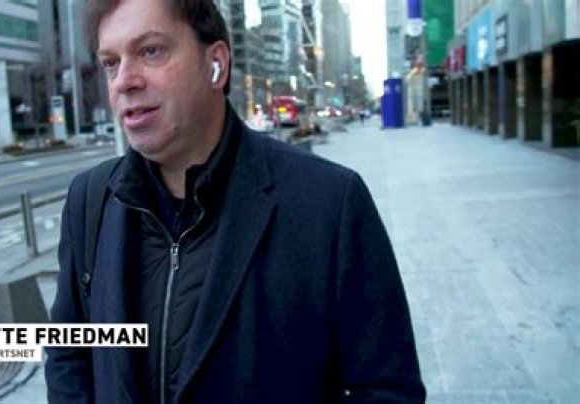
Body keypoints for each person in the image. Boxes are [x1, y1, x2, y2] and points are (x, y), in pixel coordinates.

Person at [45, 1, 425, 403]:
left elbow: (387, 389)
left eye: (151, 51)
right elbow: (69, 354)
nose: (124, 80)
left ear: (217, 64)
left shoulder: (330, 203)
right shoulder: (89, 201)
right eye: (111, 62)